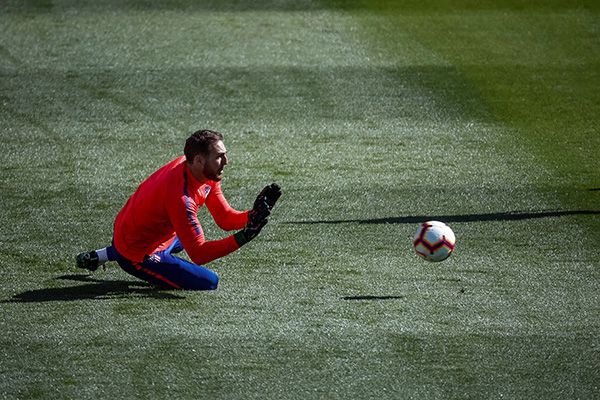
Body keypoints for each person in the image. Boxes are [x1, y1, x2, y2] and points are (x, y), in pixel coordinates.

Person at [76, 129, 281, 290]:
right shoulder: (180, 199)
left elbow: (224, 219)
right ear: (199, 160)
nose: (226, 162)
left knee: (186, 236)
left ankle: (103, 254)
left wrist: (251, 216)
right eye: (220, 156)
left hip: (134, 229)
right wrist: (245, 236)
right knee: (209, 281)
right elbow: (199, 254)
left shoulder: (197, 168)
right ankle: (120, 255)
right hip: (136, 252)